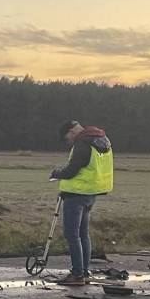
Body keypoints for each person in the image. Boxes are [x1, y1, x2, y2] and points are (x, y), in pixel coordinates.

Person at [49, 120, 114, 286]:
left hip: (76, 193)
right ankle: (84, 271)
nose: (68, 142)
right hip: (91, 192)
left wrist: (57, 173)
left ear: (71, 132)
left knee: (72, 234)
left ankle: (77, 274)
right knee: (83, 234)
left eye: (67, 139)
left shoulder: (83, 143)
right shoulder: (101, 140)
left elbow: (72, 170)